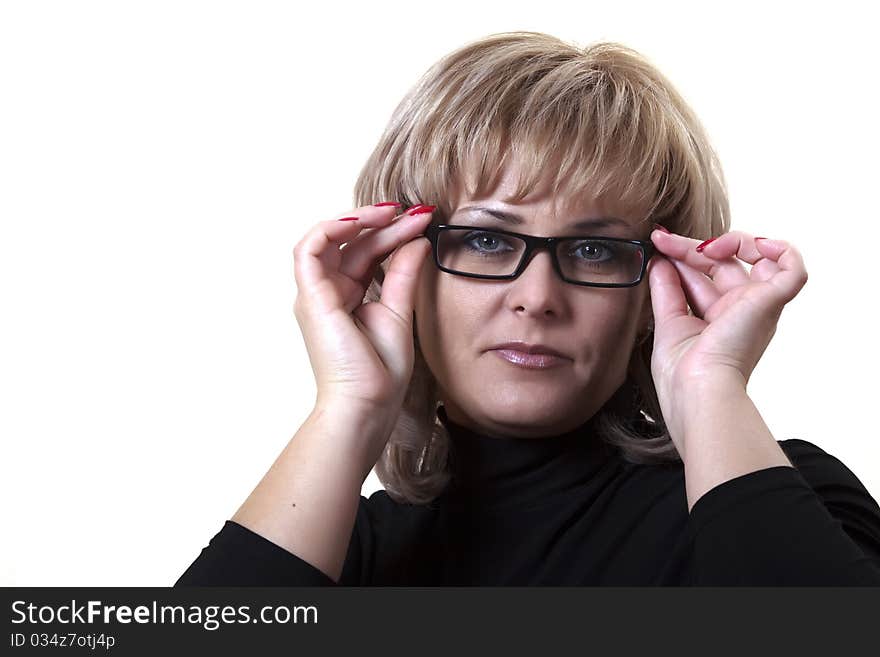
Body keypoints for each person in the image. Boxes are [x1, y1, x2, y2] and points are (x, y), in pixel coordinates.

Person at [175, 31, 880, 586]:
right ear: (402, 262)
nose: (538, 298)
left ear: (654, 292)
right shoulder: (337, 548)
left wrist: (709, 387)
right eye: (486, 238)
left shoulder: (781, 494)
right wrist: (351, 405)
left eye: (597, 252)